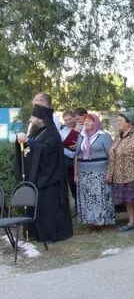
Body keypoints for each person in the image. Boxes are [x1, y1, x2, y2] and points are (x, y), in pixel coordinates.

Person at [14, 98, 73, 243]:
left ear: (40, 119)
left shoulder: (51, 134)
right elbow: (31, 147)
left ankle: (51, 234)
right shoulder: (37, 133)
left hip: (49, 179)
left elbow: (48, 152)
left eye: (33, 117)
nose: (30, 119)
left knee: (48, 209)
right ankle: (36, 233)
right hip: (37, 177)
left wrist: (30, 143)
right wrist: (20, 142)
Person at [73, 113, 115, 227]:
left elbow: (111, 156)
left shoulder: (104, 136)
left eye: (90, 120)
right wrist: (75, 174)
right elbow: (76, 155)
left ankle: (102, 221)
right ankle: (90, 221)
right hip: (84, 173)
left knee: (100, 198)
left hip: (100, 172)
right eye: (85, 120)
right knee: (88, 198)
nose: (87, 122)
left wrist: (109, 173)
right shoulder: (81, 136)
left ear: (96, 122)